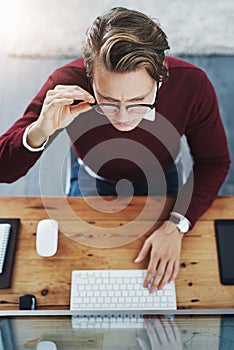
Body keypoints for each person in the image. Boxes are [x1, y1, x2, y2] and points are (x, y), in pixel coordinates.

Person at [0, 7, 230, 292]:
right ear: (89, 77)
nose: (122, 119)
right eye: (107, 100)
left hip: (163, 173)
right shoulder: (65, 82)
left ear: (160, 78)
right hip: (89, 176)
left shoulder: (193, 84)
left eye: (138, 101)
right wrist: (39, 130)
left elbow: (215, 162)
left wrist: (175, 226)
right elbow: (4, 170)